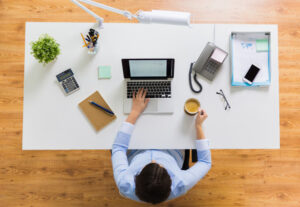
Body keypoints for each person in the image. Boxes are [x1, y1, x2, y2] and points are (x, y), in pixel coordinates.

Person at [112, 88, 211, 204]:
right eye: (159, 164)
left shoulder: (124, 183)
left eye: (149, 164)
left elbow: (118, 147)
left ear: (136, 178)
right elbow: (205, 162)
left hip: (137, 149)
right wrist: (198, 126)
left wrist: (135, 112)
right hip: (172, 150)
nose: (154, 159)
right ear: (171, 180)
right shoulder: (181, 182)